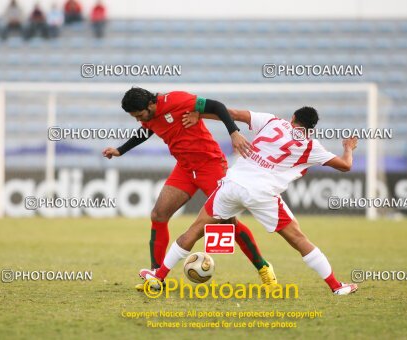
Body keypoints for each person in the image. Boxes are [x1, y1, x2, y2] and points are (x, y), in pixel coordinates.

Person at [140, 107, 360, 295]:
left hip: (232, 183)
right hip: (262, 193)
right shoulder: (312, 147)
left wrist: (201, 114)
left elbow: (233, 113)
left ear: (292, 118)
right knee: (298, 239)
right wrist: (348, 148)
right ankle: (336, 286)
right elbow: (345, 165)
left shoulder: (272, 121)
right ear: (311, 128)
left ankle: (158, 278)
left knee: (194, 230)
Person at [102, 88, 278, 290]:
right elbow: (147, 129)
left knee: (227, 223)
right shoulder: (148, 116)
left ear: (150, 105)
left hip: (210, 165)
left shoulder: (177, 100)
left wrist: (234, 132)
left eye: (139, 115)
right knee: (159, 215)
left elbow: (217, 106)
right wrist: (120, 150)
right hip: (185, 168)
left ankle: (264, 268)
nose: (138, 119)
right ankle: (157, 276)